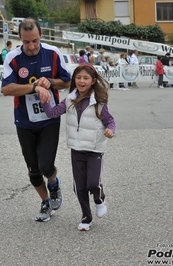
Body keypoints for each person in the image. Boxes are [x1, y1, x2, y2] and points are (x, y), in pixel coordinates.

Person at [1, 18, 71, 222]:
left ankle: (54, 183)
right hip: (24, 122)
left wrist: (49, 82)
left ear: (41, 36)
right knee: (33, 171)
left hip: (49, 119)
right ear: (20, 39)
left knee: (46, 165)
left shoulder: (53, 53)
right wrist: (34, 87)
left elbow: (67, 81)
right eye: (26, 42)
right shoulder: (13, 58)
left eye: (35, 41)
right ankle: (46, 203)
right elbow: (6, 89)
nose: (31, 46)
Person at [41, 63, 116, 231]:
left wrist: (111, 130)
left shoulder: (99, 102)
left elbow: (110, 121)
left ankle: (99, 198)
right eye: (79, 77)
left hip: (95, 149)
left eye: (86, 78)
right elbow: (52, 113)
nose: (82, 81)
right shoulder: (70, 99)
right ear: (74, 80)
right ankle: (86, 217)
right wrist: (44, 101)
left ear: (93, 81)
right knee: (79, 187)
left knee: (93, 183)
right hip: (77, 149)